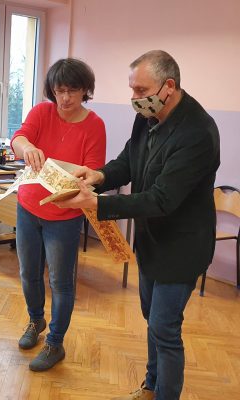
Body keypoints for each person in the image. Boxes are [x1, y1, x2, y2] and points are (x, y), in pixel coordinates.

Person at [55, 50, 220, 399]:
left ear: (168, 86)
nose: (134, 97)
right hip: (151, 241)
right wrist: (98, 176)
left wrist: (97, 203)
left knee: (165, 327)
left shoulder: (198, 133)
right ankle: (151, 384)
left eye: (140, 90)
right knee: (151, 317)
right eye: (132, 89)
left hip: (182, 247)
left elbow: (161, 199)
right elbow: (129, 161)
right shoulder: (148, 115)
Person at [11, 58, 107, 372]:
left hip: (64, 216)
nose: (64, 98)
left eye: (72, 91)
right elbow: (19, 138)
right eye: (59, 90)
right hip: (28, 207)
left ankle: (55, 342)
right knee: (28, 273)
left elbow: (92, 172)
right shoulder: (42, 112)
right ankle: (35, 321)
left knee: (61, 282)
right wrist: (26, 147)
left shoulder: (94, 125)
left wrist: (81, 180)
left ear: (85, 90)